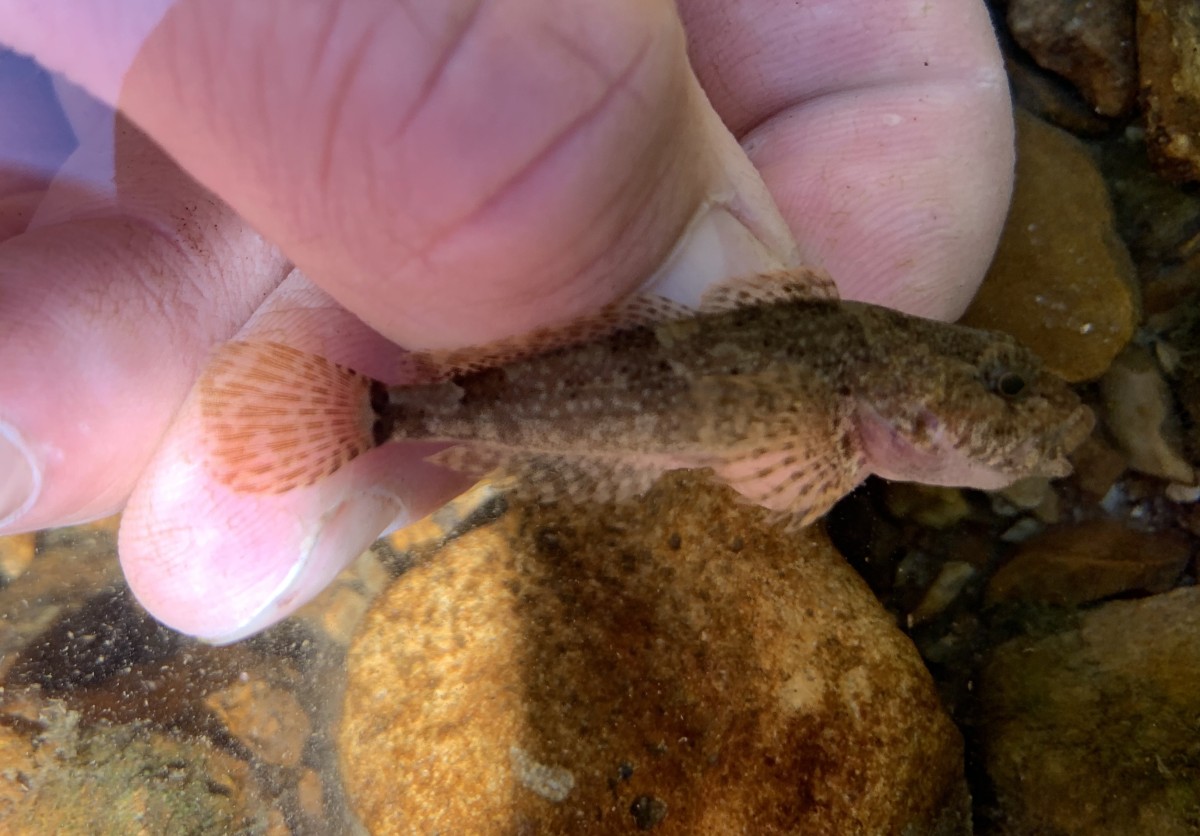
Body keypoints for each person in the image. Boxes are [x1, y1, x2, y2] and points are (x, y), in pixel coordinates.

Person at [0, 0, 1014, 641]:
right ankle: (375, 414)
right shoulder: (844, 383)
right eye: (1002, 398)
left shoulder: (854, 380)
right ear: (910, 407)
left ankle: (381, 413)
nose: (1022, 418)